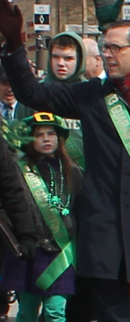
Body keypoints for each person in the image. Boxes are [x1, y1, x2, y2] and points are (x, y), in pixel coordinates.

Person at [0, 0, 130, 322]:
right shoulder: (91, 96)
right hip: (103, 230)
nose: (106, 55)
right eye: (104, 48)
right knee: (111, 315)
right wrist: (15, 44)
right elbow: (32, 94)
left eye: (114, 48)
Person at [0, 112, 82, 322]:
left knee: (55, 311)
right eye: (39, 135)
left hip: (60, 252)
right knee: (27, 311)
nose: (46, 139)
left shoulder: (73, 171)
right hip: (30, 250)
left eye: (51, 133)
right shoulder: (19, 169)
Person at [44, 32, 87, 169]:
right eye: (55, 57)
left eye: (68, 58)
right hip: (43, 179)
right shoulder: (36, 94)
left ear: (79, 60)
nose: (60, 63)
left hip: (85, 174)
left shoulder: (92, 95)